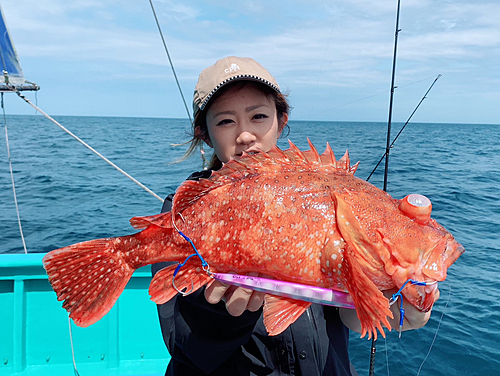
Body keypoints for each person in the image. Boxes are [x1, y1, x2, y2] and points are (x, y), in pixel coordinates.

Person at [152, 56, 438, 376]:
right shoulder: (184, 215)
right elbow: (185, 347)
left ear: (281, 119)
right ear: (204, 133)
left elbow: (347, 311)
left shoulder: (326, 193)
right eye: (225, 121)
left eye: (258, 116)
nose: (245, 135)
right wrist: (217, 311)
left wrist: (390, 305)